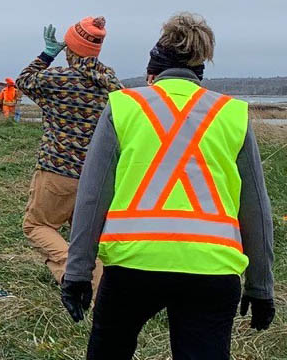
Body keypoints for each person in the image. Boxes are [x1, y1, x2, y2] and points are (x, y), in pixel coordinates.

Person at [61, 12, 275, 360]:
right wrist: (261, 286)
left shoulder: (124, 105)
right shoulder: (231, 113)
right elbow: (256, 208)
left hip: (132, 266)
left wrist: (77, 273)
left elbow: (92, 196)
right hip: (211, 269)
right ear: (199, 72)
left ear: (152, 73)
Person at [16, 18, 123, 286]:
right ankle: (98, 293)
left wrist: (46, 55)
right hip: (99, 177)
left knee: (37, 227)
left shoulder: (57, 80)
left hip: (57, 171)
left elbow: (24, 81)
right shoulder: (112, 84)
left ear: (69, 48)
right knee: (86, 237)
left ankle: (75, 278)